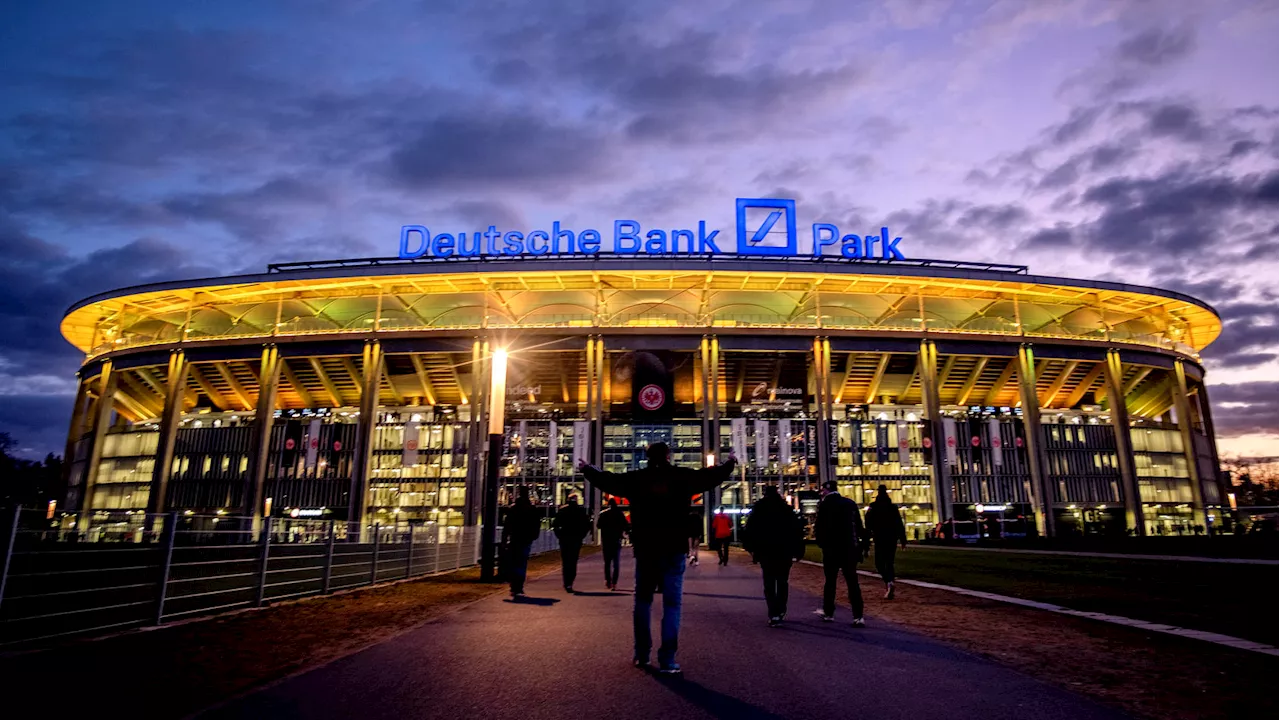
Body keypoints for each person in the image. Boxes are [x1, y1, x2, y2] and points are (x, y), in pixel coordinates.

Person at [579, 444, 736, 675]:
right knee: (672, 605)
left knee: (643, 602)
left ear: (647, 457)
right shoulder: (681, 476)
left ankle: (642, 655)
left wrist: (588, 469)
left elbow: (609, 481)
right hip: (673, 547)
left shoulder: (637, 479)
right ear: (668, 456)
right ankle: (668, 659)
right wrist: (730, 462)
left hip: (646, 548)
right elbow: (709, 477)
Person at [742, 485, 805, 627]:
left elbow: (750, 530)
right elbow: (796, 530)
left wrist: (752, 549)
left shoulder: (759, 509)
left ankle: (773, 612)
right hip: (784, 550)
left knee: (769, 582)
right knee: (783, 581)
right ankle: (781, 609)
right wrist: (798, 550)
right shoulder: (785, 509)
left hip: (766, 550)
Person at [813, 480, 868, 626]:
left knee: (830, 582)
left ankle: (829, 612)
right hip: (849, 548)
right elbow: (858, 526)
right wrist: (862, 545)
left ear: (826, 490)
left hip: (831, 549)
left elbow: (819, 527)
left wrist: (821, 543)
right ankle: (858, 615)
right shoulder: (849, 503)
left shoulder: (824, 505)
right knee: (852, 582)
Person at [863, 484, 908, 600]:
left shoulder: (873, 507)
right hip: (891, 537)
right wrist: (903, 539)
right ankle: (890, 581)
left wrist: (866, 542)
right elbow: (899, 523)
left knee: (879, 563)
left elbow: (868, 524)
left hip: (880, 537)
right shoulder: (892, 507)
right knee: (889, 562)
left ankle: (888, 581)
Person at [500, 487, 543, 598]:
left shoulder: (513, 509)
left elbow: (507, 526)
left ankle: (514, 586)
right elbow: (536, 524)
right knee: (521, 563)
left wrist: (504, 540)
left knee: (514, 562)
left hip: (515, 538)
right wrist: (534, 536)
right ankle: (519, 587)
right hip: (526, 539)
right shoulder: (532, 509)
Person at [552, 494, 591, 593]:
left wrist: (559, 535)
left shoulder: (562, 510)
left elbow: (555, 525)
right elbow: (586, 526)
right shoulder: (580, 511)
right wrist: (581, 535)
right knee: (573, 561)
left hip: (565, 539)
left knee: (566, 562)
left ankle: (567, 582)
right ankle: (570, 581)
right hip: (576, 539)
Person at [598, 497, 631, 590]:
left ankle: (608, 581)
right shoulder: (619, 514)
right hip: (616, 540)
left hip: (606, 540)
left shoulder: (603, 514)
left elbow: (598, 525)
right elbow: (626, 525)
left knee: (607, 563)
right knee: (616, 563)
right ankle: (614, 583)